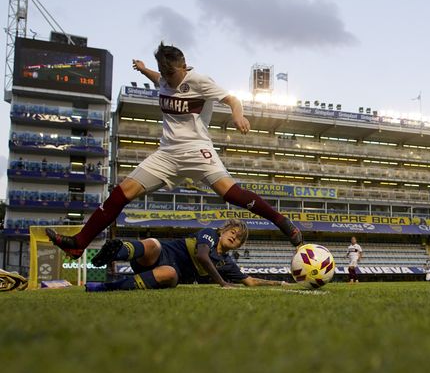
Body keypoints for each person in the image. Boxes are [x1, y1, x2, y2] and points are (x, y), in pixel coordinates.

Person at [45, 43, 302, 258]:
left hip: (197, 149)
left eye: (172, 74)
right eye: (163, 73)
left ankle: (281, 221)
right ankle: (79, 244)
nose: (167, 79)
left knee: (231, 193)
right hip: (167, 154)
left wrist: (238, 116)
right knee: (121, 194)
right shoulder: (165, 78)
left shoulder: (200, 81)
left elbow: (232, 99)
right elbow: (158, 80)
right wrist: (144, 69)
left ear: (183, 65)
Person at [85, 220, 288, 291]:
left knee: (169, 273)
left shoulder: (227, 262)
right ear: (223, 231)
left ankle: (105, 287)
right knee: (153, 244)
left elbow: (250, 281)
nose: (234, 237)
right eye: (232, 232)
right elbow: (201, 256)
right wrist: (223, 283)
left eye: (239, 238)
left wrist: (279, 284)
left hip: (171, 272)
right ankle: (114, 252)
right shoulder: (208, 234)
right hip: (159, 254)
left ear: (239, 245)